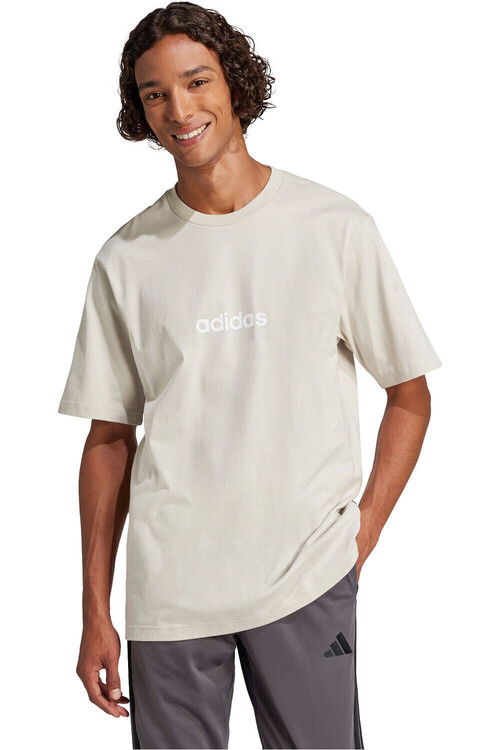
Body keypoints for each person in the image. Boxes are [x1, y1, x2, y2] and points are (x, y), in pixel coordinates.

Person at [57, 3, 442, 748]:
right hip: (170, 593)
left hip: (305, 579)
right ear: (141, 111)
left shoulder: (332, 227)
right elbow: (108, 440)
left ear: (235, 82)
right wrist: (95, 610)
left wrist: (359, 537)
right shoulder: (125, 259)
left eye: (196, 81)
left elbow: (409, 395)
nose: (179, 110)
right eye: (155, 94)